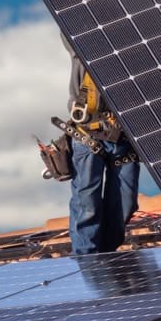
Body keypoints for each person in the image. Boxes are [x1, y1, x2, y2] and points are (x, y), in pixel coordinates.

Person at [65, 46, 141, 254]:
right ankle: (87, 260)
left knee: (126, 204)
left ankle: (106, 258)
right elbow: (69, 27)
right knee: (87, 206)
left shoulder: (136, 49)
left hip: (124, 138)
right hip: (89, 135)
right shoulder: (82, 47)